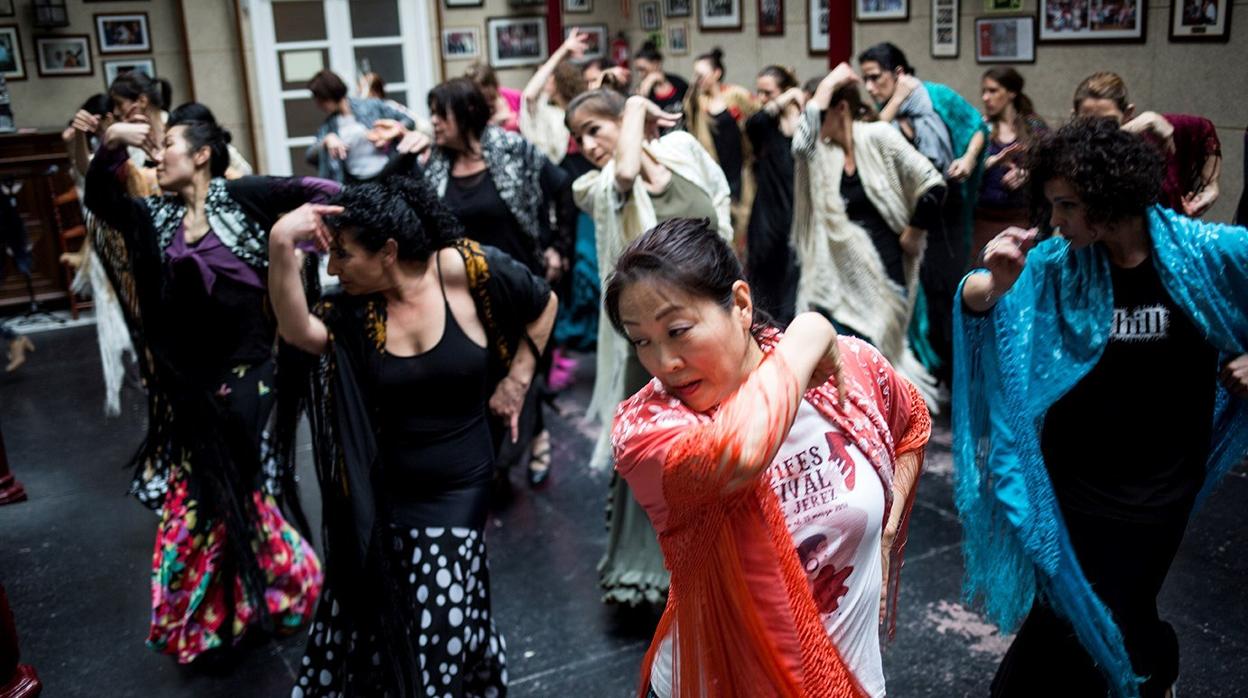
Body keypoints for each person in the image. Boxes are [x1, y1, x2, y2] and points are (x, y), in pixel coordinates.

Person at [954, 118, 1248, 698]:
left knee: (1125, 610)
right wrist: (994, 283)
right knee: (1063, 618)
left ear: (1110, 198)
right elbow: (974, 299)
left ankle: (1151, 667)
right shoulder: (1063, 263)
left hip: (1161, 488)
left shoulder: (1204, 255)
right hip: (1073, 484)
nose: (1054, 221)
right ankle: (1143, 672)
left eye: (1066, 205)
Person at [609, 218, 930, 698]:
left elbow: (912, 424)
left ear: (740, 304)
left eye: (678, 331)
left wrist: (886, 530)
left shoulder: (849, 370)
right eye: (641, 341)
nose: (663, 363)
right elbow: (741, 450)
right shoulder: (646, 427)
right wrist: (811, 329)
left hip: (851, 680)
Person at [268, 176, 557, 696]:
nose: (333, 270)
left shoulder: (465, 270)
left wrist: (515, 382)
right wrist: (280, 245)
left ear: (389, 251)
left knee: (432, 633)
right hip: (384, 495)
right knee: (376, 616)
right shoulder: (357, 310)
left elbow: (543, 303)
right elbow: (296, 332)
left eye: (344, 256)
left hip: (461, 486)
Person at [84, 103, 328, 664]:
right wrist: (113, 142)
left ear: (200, 155)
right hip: (192, 386)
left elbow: (318, 187)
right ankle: (259, 597)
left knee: (223, 492)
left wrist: (323, 234)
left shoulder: (245, 199)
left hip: (252, 376)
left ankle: (253, 600)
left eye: (167, 142)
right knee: (214, 499)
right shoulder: (158, 219)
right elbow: (102, 200)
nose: (158, 152)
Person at [566, 88, 731, 607]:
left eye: (595, 128)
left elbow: (719, 208)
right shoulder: (593, 186)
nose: (587, 144)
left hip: (710, 326)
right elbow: (620, 175)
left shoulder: (682, 152)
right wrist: (636, 107)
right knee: (667, 455)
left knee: (726, 442)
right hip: (657, 345)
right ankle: (658, 577)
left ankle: (730, 558)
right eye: (578, 136)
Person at [401, 77, 572, 487]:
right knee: (482, 373)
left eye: (442, 114)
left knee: (524, 369)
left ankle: (537, 438)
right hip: (465, 291)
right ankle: (497, 455)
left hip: (519, 285)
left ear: (467, 115)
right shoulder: (433, 165)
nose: (435, 123)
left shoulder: (512, 149)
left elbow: (562, 188)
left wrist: (558, 247)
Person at [791, 65, 946, 407]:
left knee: (882, 358)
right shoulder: (821, 153)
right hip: (837, 276)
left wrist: (914, 232)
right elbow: (801, 141)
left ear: (841, 109)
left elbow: (932, 184)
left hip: (886, 271)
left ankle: (895, 421)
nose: (812, 120)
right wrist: (828, 82)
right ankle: (859, 427)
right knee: (847, 365)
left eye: (818, 109)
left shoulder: (878, 137)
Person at [858, 42, 988, 384]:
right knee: (915, 298)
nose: (870, 87)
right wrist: (896, 101)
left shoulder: (937, 96)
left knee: (944, 290)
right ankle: (923, 374)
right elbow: (870, 140)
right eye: (865, 80)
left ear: (899, 73)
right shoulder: (881, 109)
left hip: (947, 209)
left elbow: (976, 126)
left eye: (875, 78)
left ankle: (951, 374)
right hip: (907, 217)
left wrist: (970, 160)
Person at [519, 28, 599, 396]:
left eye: (550, 77)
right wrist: (562, 50)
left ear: (558, 81)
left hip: (593, 199)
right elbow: (529, 95)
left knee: (594, 273)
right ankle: (570, 346)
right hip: (566, 204)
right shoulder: (551, 118)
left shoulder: (588, 112)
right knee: (577, 273)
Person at [1073, 71, 1222, 218]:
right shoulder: (1071, 154)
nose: (1098, 131)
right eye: (1088, 123)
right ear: (1075, 118)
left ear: (1128, 114)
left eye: (1108, 123)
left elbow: (1204, 129)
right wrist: (1133, 127)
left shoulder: (1151, 132)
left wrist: (1211, 186)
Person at [744, 65, 802, 324]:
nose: (762, 99)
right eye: (759, 92)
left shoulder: (805, 125)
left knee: (792, 287)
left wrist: (793, 101)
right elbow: (752, 124)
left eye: (768, 92)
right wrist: (782, 99)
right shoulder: (765, 126)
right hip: (767, 215)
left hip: (797, 215)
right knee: (763, 284)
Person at [974, 67, 1048, 257]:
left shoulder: (1034, 127)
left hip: (1023, 221)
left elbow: (1054, 165)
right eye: (984, 91)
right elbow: (967, 170)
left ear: (1012, 93)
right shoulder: (980, 128)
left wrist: (1027, 173)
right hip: (983, 222)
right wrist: (992, 162)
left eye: (993, 91)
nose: (985, 98)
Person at [306, 69, 415, 183]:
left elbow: (409, 121)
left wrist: (392, 132)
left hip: (389, 175)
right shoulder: (329, 125)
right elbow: (309, 156)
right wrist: (326, 140)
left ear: (328, 94)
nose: (318, 106)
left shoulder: (371, 105)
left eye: (320, 101)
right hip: (356, 184)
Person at [684, 48, 758, 215]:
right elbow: (688, 111)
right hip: (711, 167)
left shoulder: (735, 95)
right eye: (695, 74)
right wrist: (693, 87)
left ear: (716, 73)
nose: (697, 79)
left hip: (738, 167)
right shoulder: (698, 101)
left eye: (701, 74)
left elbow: (757, 112)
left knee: (742, 214)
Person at [633, 42, 689, 117]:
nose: (640, 74)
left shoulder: (678, 83)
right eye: (638, 70)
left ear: (656, 64)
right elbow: (637, 114)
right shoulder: (641, 89)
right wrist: (647, 85)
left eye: (642, 69)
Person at [465, 61, 522, 133]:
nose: (483, 91)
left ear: (494, 84)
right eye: (477, 90)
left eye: (485, 85)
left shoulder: (515, 96)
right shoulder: (470, 106)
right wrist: (496, 121)